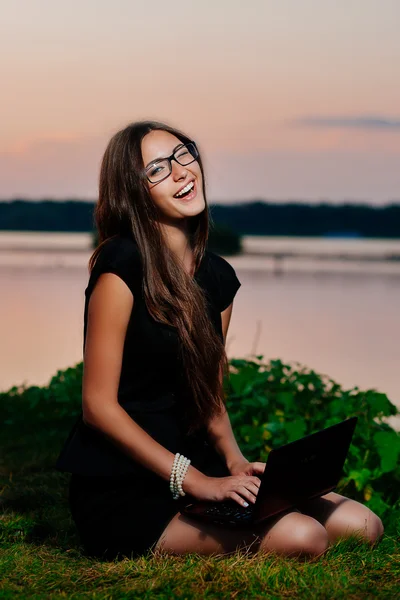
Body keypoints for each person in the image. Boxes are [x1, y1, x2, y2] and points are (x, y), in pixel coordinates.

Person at [55, 120, 383, 561]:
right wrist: (194, 480)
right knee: (305, 539)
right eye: (156, 169)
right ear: (133, 192)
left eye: (183, 155)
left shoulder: (218, 277)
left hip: (199, 468)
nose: (180, 171)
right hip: (126, 487)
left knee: (364, 525)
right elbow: (98, 407)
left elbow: (206, 391)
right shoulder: (120, 265)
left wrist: (234, 462)